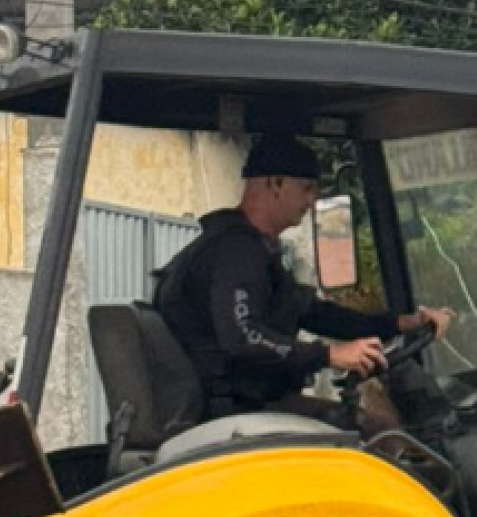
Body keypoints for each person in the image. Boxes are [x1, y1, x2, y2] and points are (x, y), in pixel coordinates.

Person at [155, 132, 453, 423]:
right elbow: (242, 337)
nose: (312, 202)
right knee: (374, 431)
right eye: (307, 189)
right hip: (236, 412)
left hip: (252, 404)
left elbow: (315, 314)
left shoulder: (254, 250)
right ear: (276, 183)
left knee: (365, 424)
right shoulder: (237, 251)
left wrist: (401, 323)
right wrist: (328, 355)